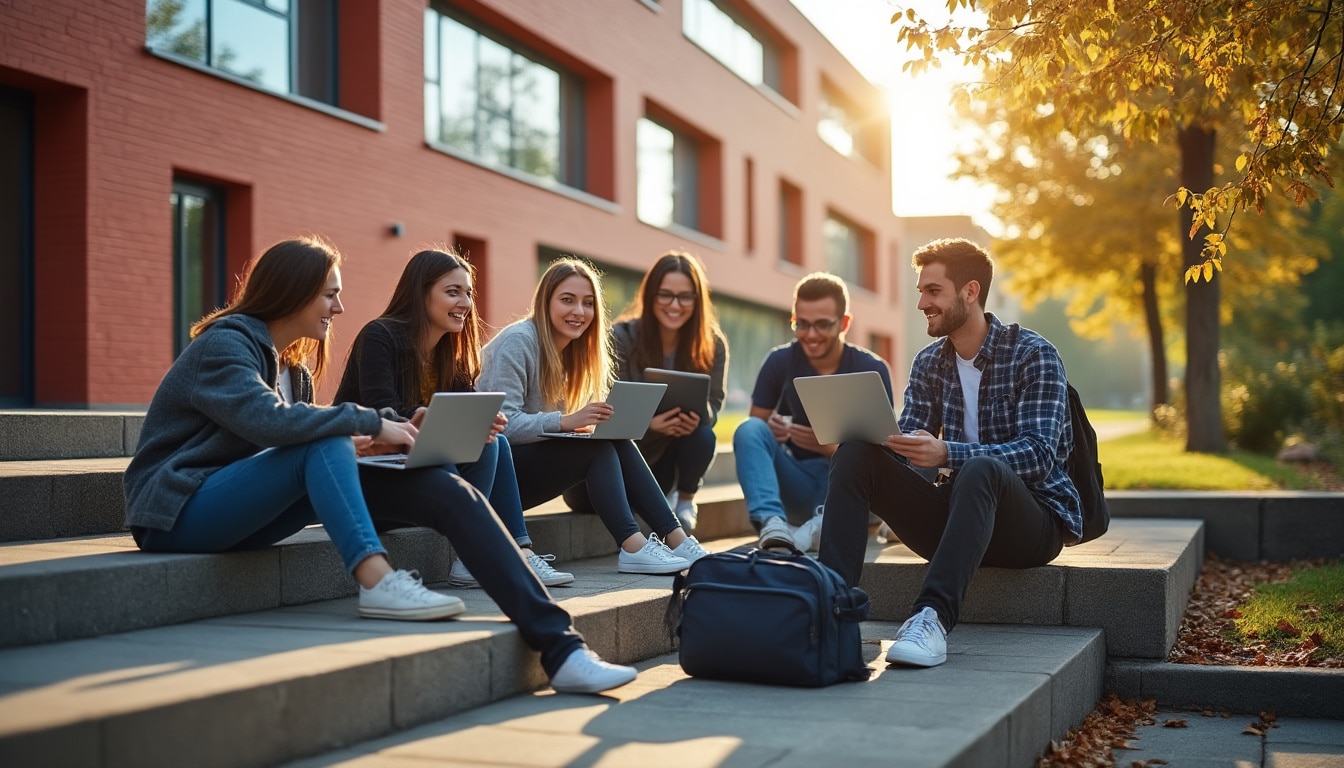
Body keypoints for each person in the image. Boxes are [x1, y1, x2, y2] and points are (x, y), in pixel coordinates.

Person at [125, 237, 637, 694]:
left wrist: (375, 438)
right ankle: (376, 580)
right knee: (323, 441)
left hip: (248, 507)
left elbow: (279, 442)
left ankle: (562, 648)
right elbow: (270, 423)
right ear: (292, 292)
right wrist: (370, 425)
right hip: (175, 510)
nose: (339, 306)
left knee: (447, 490)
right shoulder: (225, 343)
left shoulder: (294, 370)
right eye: (329, 294)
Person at [818, 238, 1081, 669]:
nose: (922, 302)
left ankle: (931, 619)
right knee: (855, 454)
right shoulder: (928, 363)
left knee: (979, 468)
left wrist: (946, 453)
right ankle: (829, 608)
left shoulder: (1034, 355)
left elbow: (1038, 455)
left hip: (1031, 524)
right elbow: (908, 448)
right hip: (960, 517)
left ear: (970, 291)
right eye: (921, 291)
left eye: (933, 291)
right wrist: (876, 438)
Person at [334, 248, 573, 588]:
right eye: (453, 292)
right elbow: (380, 414)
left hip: (421, 477)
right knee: (475, 441)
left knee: (495, 442)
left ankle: (515, 552)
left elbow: (470, 411)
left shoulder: (450, 351)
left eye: (468, 293)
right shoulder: (379, 336)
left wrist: (487, 421)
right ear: (421, 293)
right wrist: (439, 422)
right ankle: (477, 553)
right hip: (374, 483)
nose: (465, 302)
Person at [478, 258, 710, 574]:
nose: (579, 311)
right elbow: (500, 425)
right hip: (493, 479)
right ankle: (634, 547)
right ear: (545, 301)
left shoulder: (577, 352)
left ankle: (679, 540)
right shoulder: (518, 341)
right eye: (567, 300)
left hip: (532, 469)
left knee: (613, 439)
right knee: (597, 447)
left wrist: (588, 425)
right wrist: (564, 422)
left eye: (588, 303)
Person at [733, 272, 892, 552]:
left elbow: (886, 456)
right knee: (749, 429)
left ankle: (826, 524)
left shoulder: (872, 369)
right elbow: (755, 432)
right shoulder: (779, 361)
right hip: (800, 484)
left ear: (844, 323)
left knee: (870, 463)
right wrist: (775, 431)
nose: (811, 335)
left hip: (852, 486)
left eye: (822, 325)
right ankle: (772, 523)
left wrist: (830, 448)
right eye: (801, 324)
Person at [602, 250, 728, 532]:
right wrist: (650, 425)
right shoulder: (620, 338)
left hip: (671, 456)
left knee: (704, 434)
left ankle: (685, 503)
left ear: (697, 300)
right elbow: (610, 408)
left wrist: (698, 416)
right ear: (651, 295)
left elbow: (715, 403)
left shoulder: (712, 344)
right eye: (665, 294)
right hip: (628, 454)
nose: (675, 305)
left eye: (685, 296)